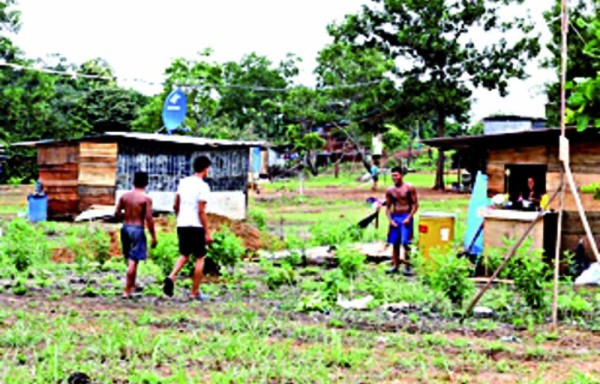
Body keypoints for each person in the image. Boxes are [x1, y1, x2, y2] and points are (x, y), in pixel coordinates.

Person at [163, 156, 213, 301]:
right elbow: (201, 211)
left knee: (185, 254)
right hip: (196, 225)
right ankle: (195, 292)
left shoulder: (183, 182)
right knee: (200, 257)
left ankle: (171, 276)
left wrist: (180, 217)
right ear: (205, 169)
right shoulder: (203, 186)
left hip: (182, 223)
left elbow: (175, 205)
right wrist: (207, 231)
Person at [114, 171, 157, 299]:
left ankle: (132, 284)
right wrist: (153, 236)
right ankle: (127, 291)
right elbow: (149, 219)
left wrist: (126, 216)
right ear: (146, 183)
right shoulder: (146, 199)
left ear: (133, 182)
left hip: (125, 227)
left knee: (130, 258)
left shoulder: (124, 196)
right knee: (134, 260)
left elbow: (116, 213)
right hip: (137, 228)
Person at [385, 166, 418, 276]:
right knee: (395, 243)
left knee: (405, 242)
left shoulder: (409, 188)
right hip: (395, 216)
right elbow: (388, 208)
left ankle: (408, 266)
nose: (394, 178)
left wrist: (409, 217)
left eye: (396, 175)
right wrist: (390, 220)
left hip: (406, 216)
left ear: (402, 175)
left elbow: (415, 204)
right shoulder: (390, 190)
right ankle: (395, 265)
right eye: (392, 175)